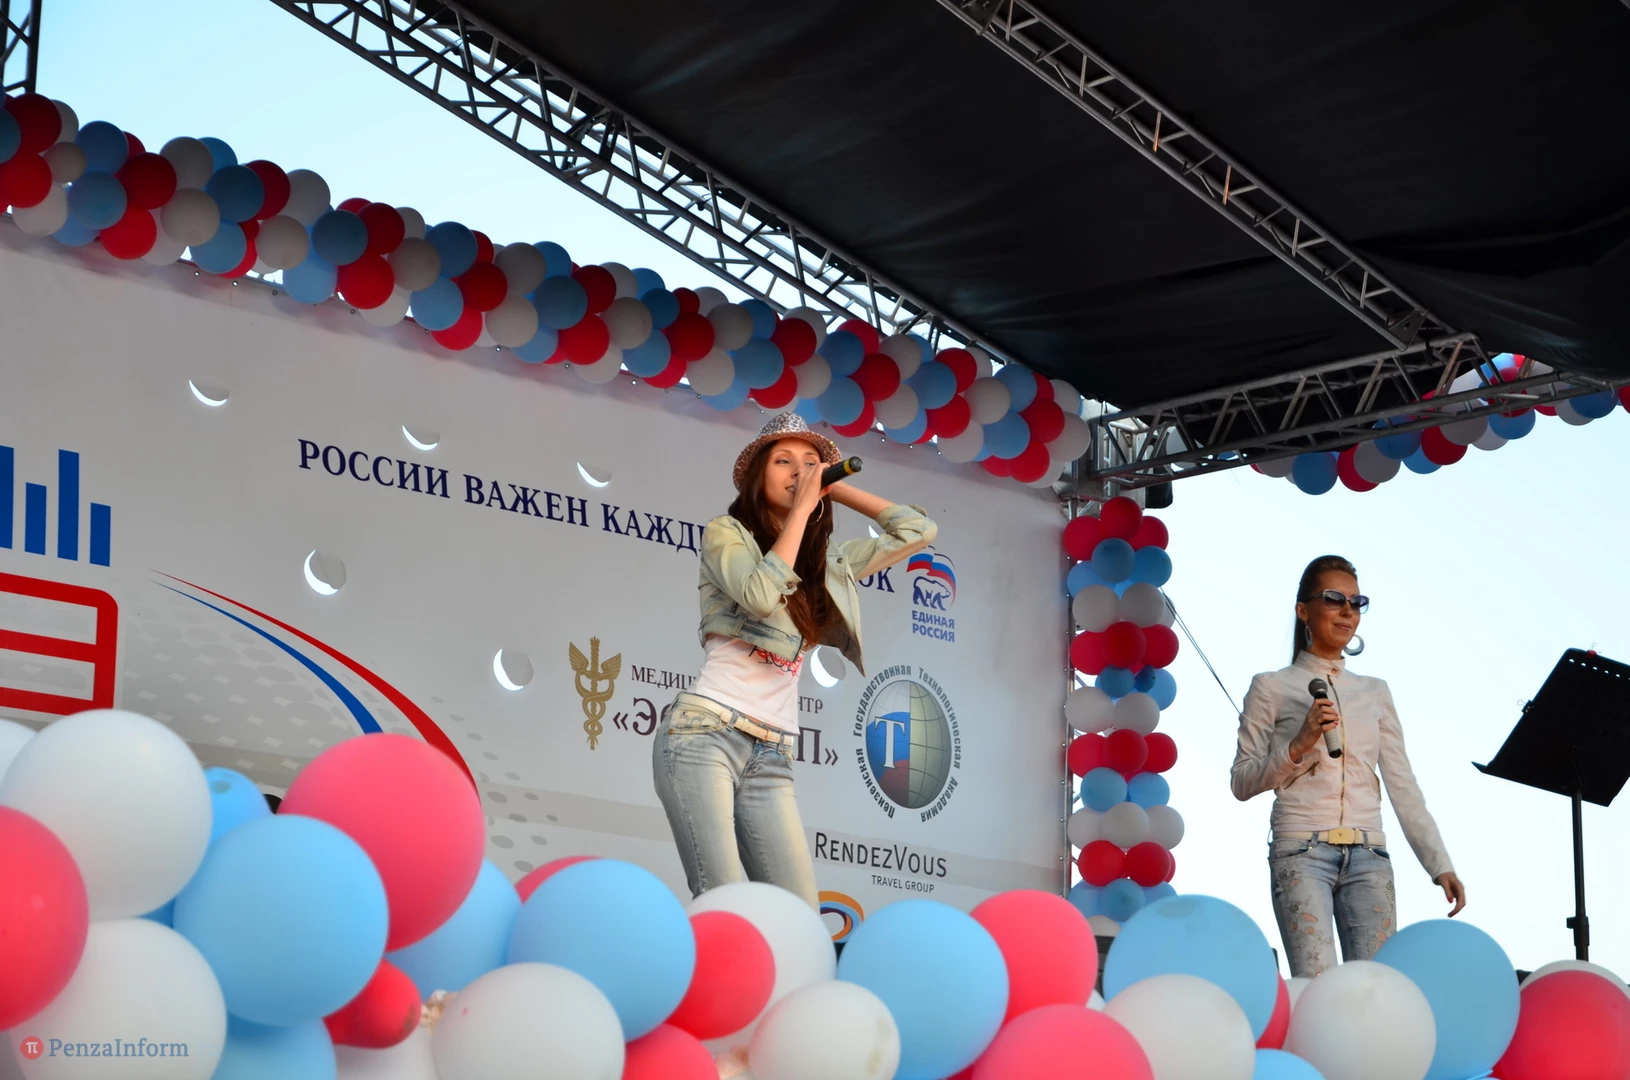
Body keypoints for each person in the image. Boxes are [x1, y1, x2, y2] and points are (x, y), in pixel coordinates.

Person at [652, 412, 937, 910]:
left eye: (810, 463)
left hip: (774, 752)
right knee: (723, 901)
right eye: (783, 461)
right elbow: (760, 595)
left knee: (798, 916)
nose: (799, 471)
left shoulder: (829, 562)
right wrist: (804, 506)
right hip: (705, 734)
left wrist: (833, 488)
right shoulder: (726, 533)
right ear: (757, 476)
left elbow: (918, 530)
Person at [1230, 554, 1466, 977]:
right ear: (1304, 610)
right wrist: (1298, 745)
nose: (1347, 611)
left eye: (1356, 603)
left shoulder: (1375, 692)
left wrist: (1439, 863)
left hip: (1370, 853)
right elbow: (1242, 781)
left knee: (1375, 989)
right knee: (1319, 988)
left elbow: (1402, 784)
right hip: (1301, 849)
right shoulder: (1271, 686)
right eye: (1333, 599)